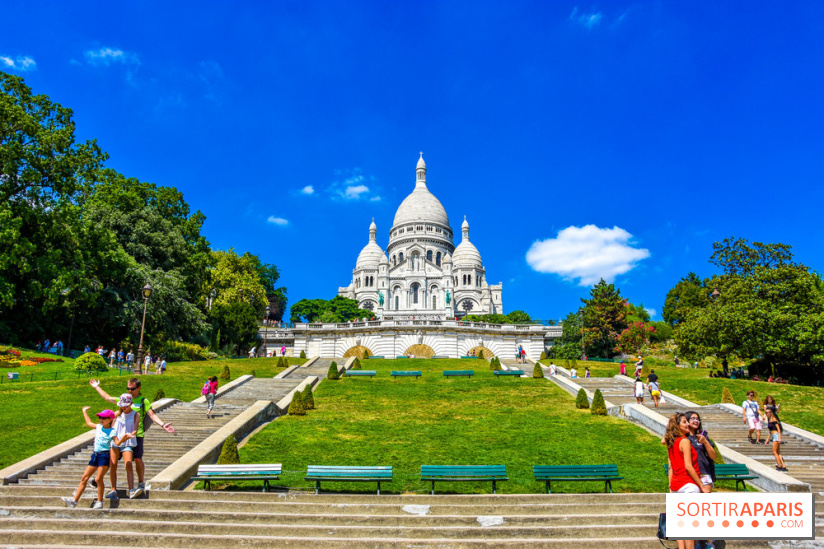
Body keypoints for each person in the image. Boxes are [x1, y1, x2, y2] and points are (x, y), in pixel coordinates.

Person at [89, 378, 175, 498]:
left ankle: (140, 483)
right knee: (111, 461)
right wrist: (96, 387)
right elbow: (107, 398)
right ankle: (99, 480)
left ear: (138, 388)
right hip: (119, 437)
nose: (130, 390)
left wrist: (163, 424)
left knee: (137, 459)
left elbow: (152, 415)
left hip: (136, 435)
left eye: (132, 388)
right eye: (128, 388)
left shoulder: (143, 401)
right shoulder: (122, 400)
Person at [61, 407, 133, 509]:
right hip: (95, 455)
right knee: (84, 478)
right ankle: (74, 500)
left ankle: (100, 501)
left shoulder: (112, 431)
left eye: (104, 417)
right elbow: (89, 423)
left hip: (104, 456)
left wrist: (125, 437)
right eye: (100, 417)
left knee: (99, 479)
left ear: (110, 419)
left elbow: (117, 443)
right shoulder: (99, 427)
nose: (101, 419)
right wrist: (84, 412)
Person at [663, 413, 702, 549]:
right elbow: (688, 466)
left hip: (676, 485)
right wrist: (701, 484)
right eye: (684, 422)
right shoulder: (684, 441)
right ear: (677, 426)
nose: (687, 424)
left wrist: (671, 487)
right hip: (689, 485)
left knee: (679, 524)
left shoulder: (671, 442)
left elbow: (671, 467)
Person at [108, 393, 140, 499]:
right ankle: (113, 490)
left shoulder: (135, 414)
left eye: (126, 405)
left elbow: (135, 428)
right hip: (116, 442)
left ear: (131, 404)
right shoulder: (117, 414)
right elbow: (111, 428)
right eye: (122, 405)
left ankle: (131, 489)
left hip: (127, 442)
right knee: (113, 465)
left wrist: (133, 434)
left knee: (129, 464)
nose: (124, 407)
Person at [684, 411, 716, 493]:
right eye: (693, 418)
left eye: (698, 419)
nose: (696, 421)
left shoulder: (703, 437)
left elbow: (713, 456)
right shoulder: (683, 438)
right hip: (689, 472)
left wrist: (705, 442)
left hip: (703, 472)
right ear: (686, 421)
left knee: (706, 494)